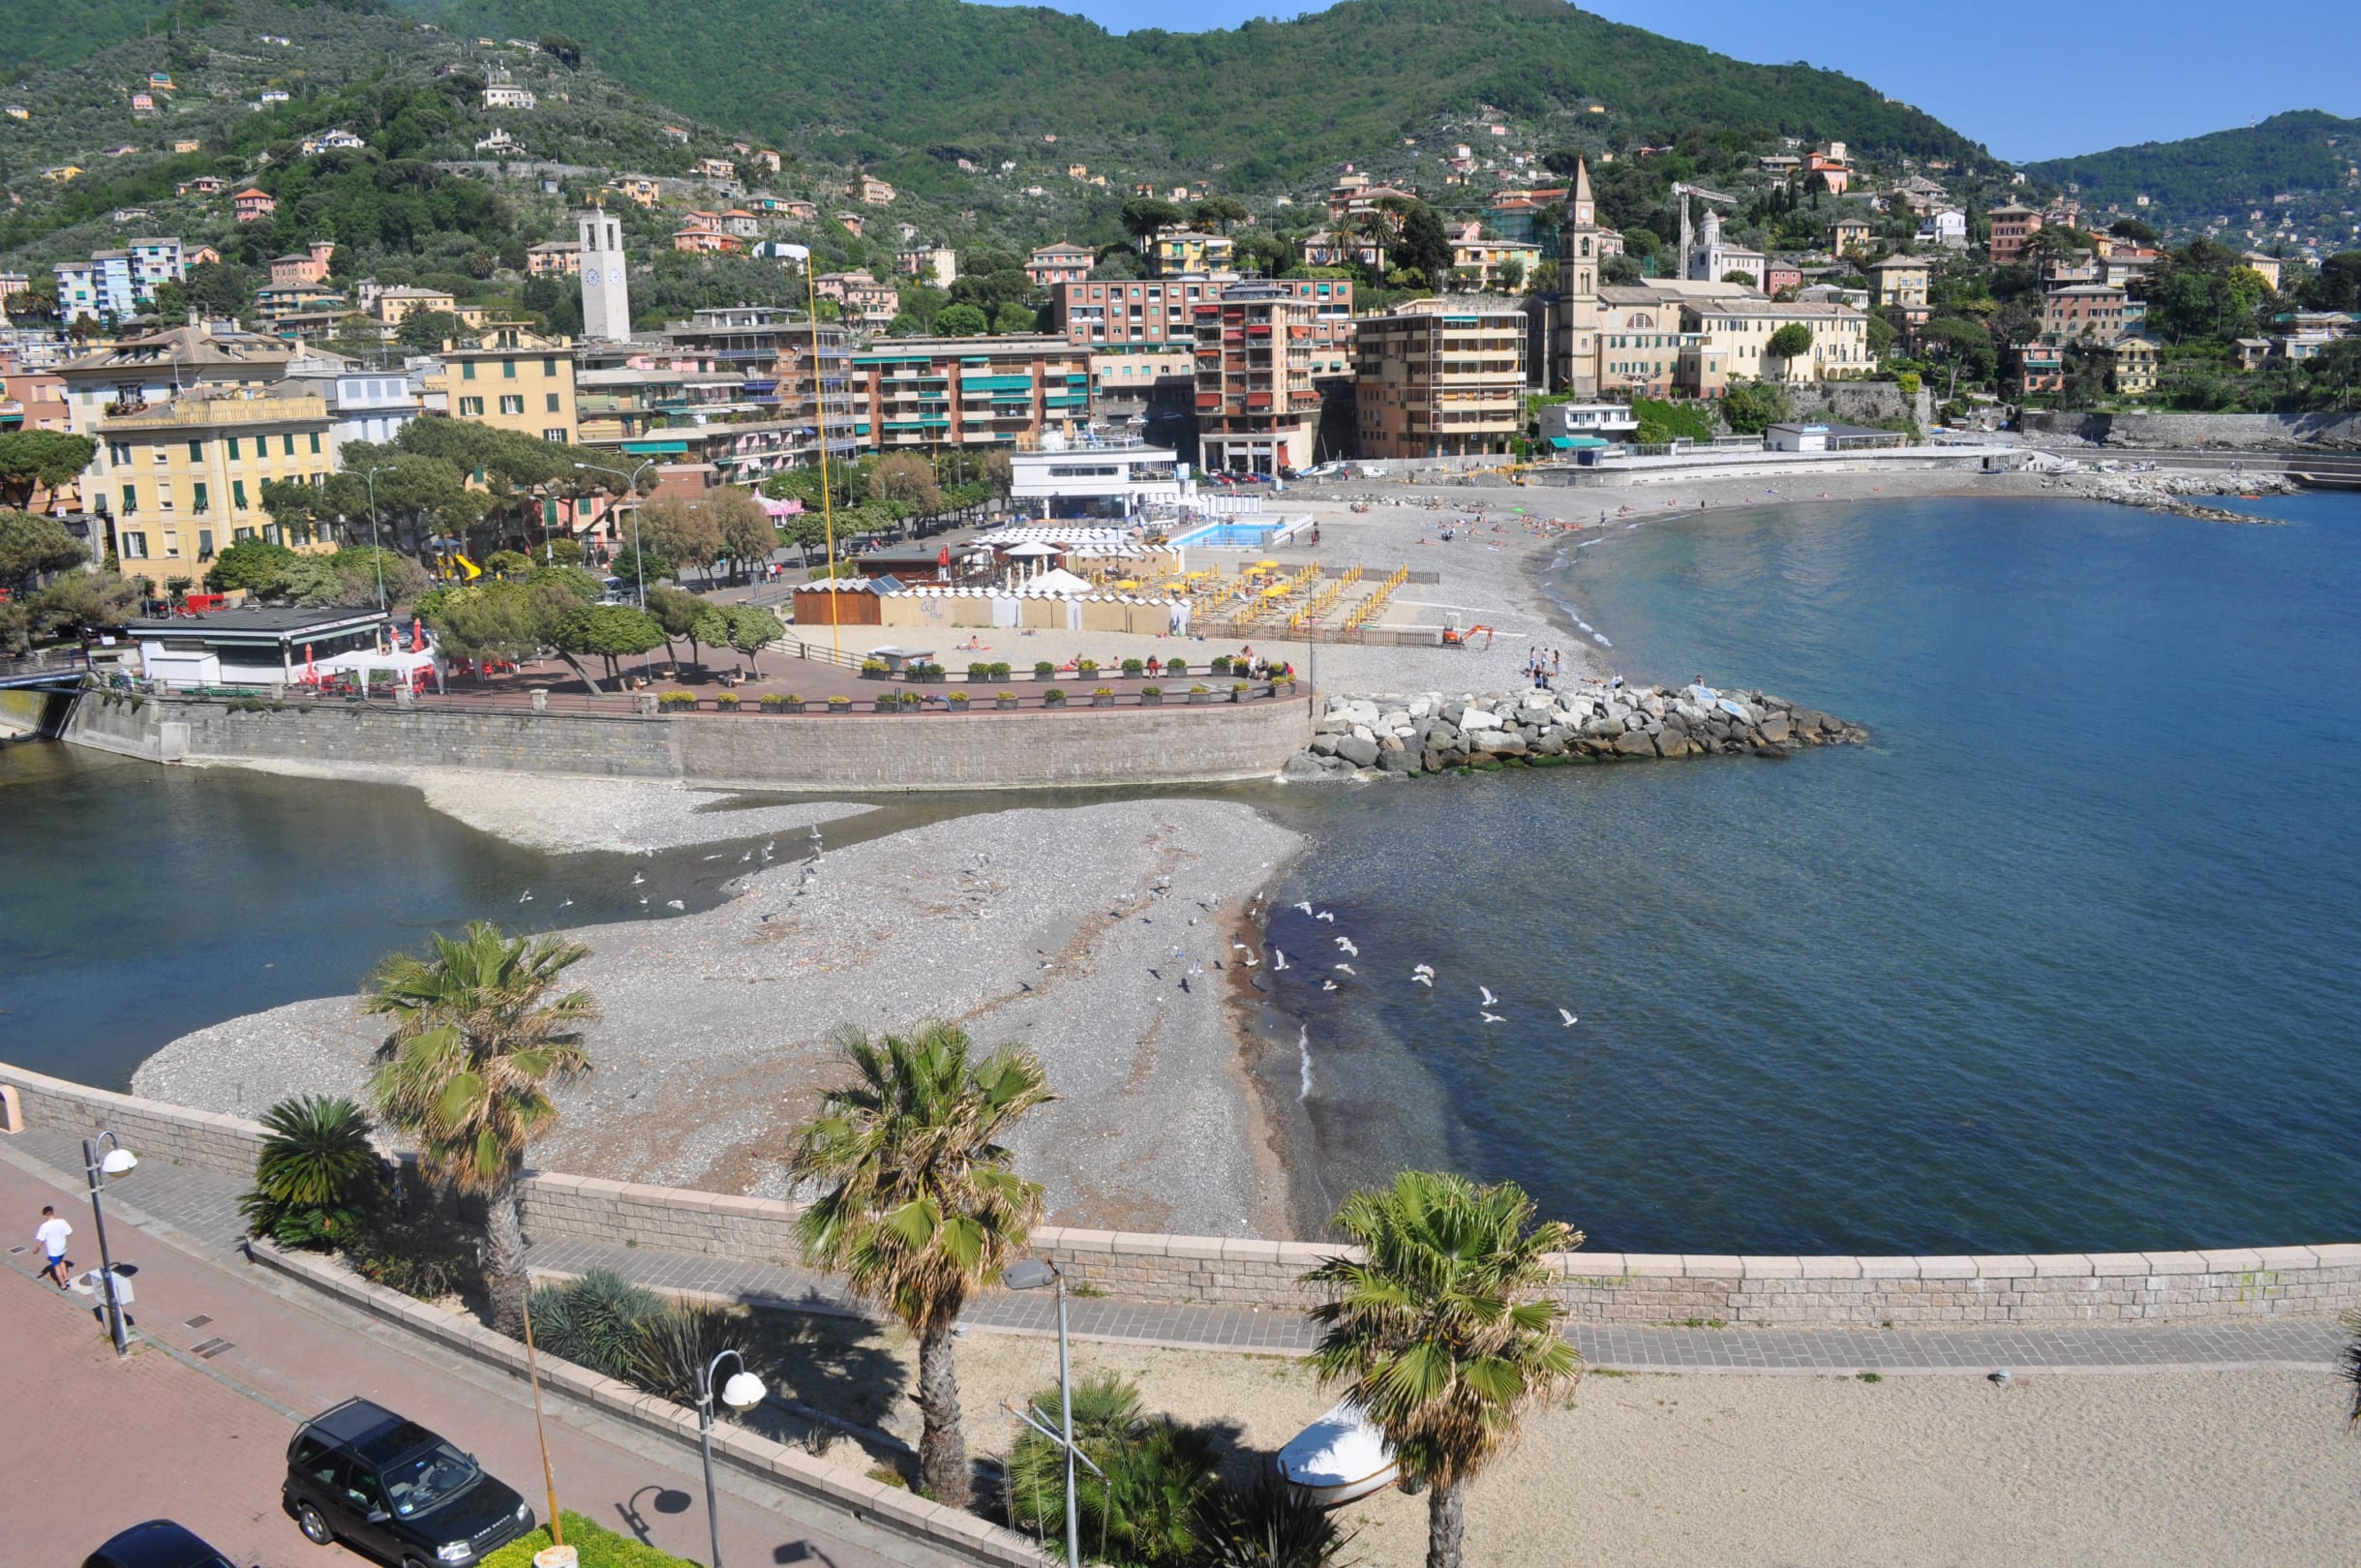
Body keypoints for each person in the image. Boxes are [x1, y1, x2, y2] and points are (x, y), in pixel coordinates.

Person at [36, 1205, 71, 1290]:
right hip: (62, 1247)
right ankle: (66, 1278)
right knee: (61, 1261)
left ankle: (63, 1285)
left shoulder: (44, 1226)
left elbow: (41, 1240)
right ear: (53, 1213)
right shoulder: (62, 1221)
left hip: (53, 1250)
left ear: (45, 1215)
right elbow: (69, 1232)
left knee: (57, 1267)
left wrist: (37, 1249)